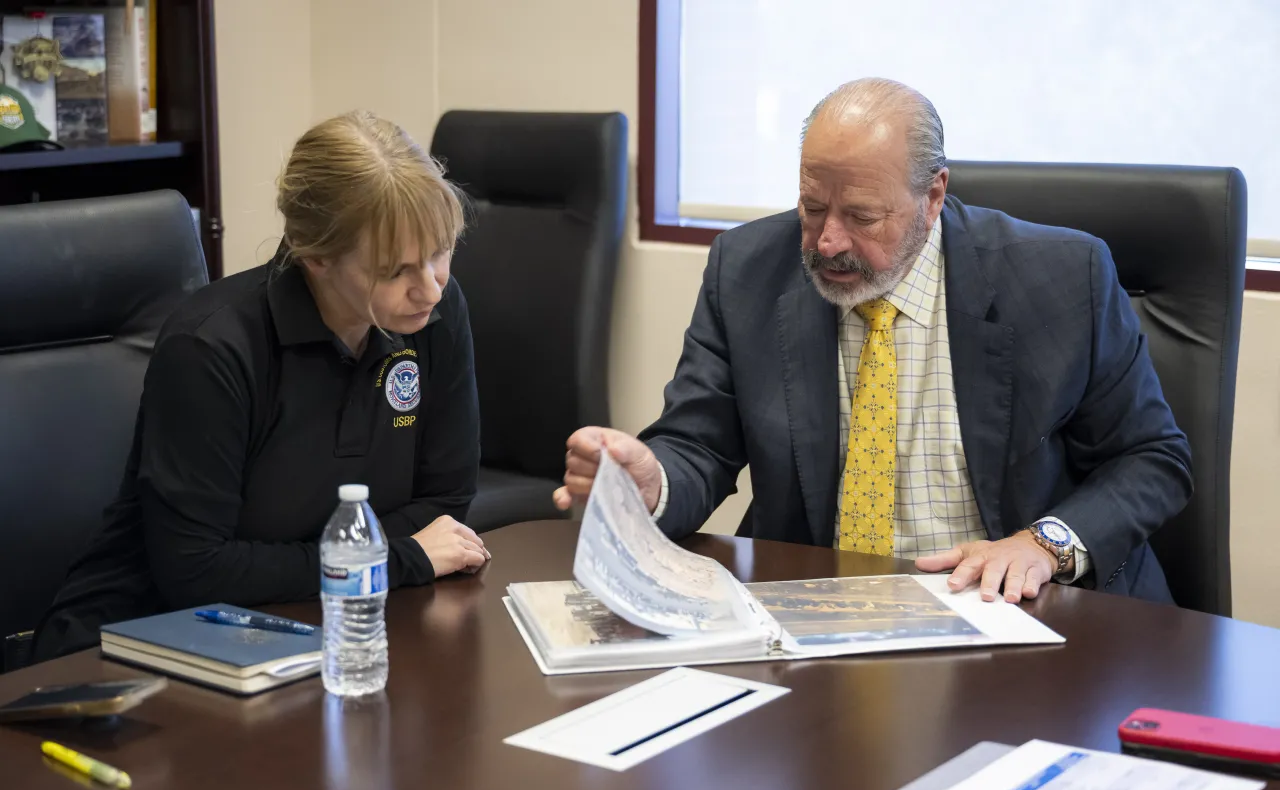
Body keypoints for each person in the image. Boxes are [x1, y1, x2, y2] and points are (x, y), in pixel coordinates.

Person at [555, 78, 1191, 605]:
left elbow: (1151, 460)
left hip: (1017, 610)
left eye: (860, 216)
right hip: (819, 615)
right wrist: (652, 482)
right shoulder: (746, 268)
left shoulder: (1060, 277)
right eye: (811, 207)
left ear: (933, 195)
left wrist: (1043, 545)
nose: (827, 241)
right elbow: (699, 444)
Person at [32, 111, 489, 661]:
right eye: (395, 271)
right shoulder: (212, 347)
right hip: (141, 647)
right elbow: (198, 572)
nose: (431, 289)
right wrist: (401, 557)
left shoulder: (433, 312)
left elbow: (445, 502)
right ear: (314, 255)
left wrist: (287, 564)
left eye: (440, 252)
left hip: (311, 624)